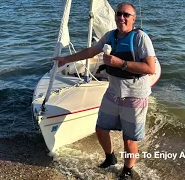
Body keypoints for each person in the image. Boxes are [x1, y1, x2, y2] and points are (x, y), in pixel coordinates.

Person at [54, 2, 156, 179]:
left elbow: (150, 68)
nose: (121, 17)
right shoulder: (110, 36)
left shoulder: (140, 38)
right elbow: (90, 51)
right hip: (113, 93)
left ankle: (127, 170)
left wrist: (120, 63)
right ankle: (110, 158)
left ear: (133, 18)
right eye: (118, 14)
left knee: (129, 139)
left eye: (126, 15)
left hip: (134, 96)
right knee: (101, 129)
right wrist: (65, 59)